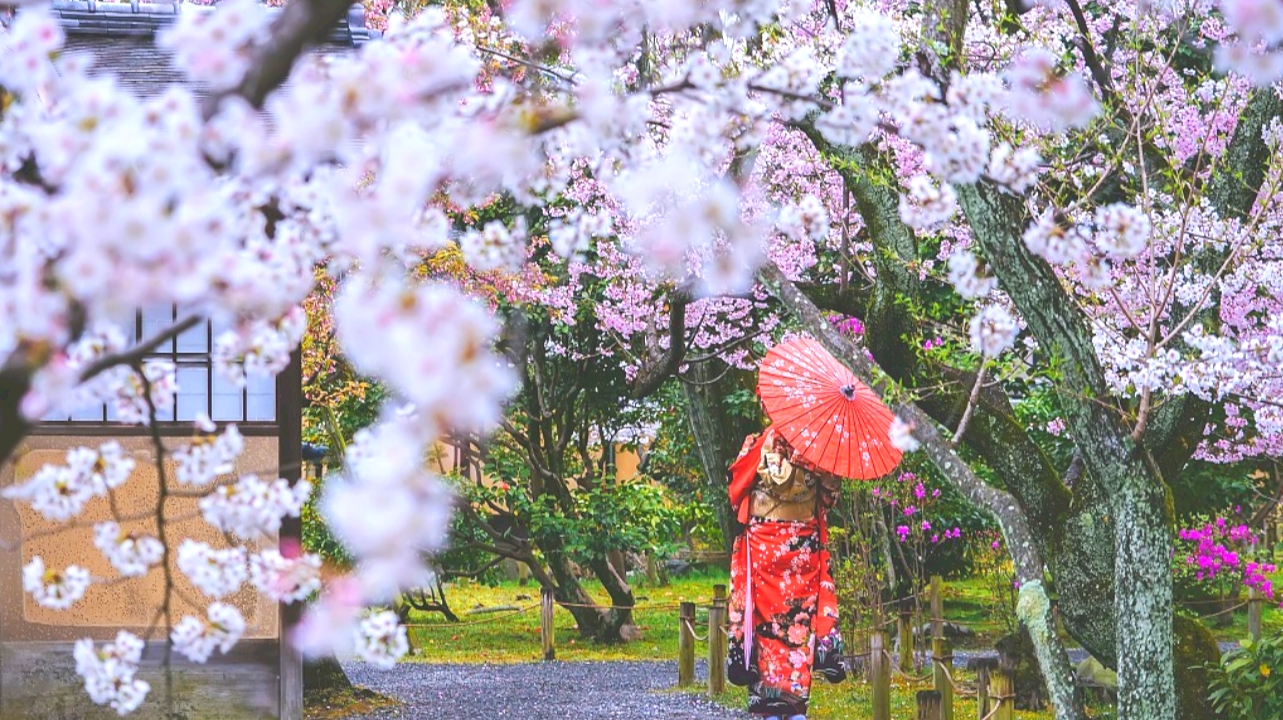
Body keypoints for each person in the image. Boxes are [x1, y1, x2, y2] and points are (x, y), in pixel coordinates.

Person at [726, 426, 846, 720]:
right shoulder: (817, 449)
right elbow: (828, 499)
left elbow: (736, 494)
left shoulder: (754, 443)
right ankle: (795, 709)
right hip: (801, 553)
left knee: (763, 629)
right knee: (797, 629)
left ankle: (766, 708)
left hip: (764, 549)